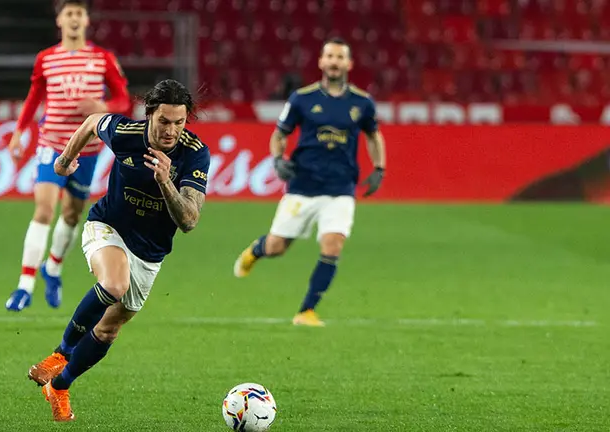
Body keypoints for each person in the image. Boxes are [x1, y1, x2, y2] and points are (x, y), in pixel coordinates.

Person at [26, 79, 210, 422]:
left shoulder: (194, 153)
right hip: (107, 227)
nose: (171, 131)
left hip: (150, 252)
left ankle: (60, 386)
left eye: (179, 122)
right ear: (149, 114)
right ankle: (61, 354)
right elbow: (92, 122)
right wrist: (65, 159)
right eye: (164, 121)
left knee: (108, 330)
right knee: (114, 284)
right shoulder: (125, 132)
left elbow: (189, 221)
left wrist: (165, 182)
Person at [233, 37, 388, 327]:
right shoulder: (301, 99)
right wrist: (277, 159)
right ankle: (256, 250)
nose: (334, 62)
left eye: (340, 57)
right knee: (277, 246)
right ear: (321, 62)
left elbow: (373, 135)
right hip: (303, 185)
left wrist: (380, 168)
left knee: (333, 244)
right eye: (329, 56)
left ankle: (306, 311)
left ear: (349, 64)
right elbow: (280, 134)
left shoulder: (362, 103)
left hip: (341, 187)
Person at [5, 0, 130, 311]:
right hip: (52, 143)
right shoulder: (46, 59)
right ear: (59, 20)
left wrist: (104, 108)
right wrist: (19, 131)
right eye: (68, 13)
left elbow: (123, 100)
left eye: (79, 14)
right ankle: (24, 285)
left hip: (87, 150)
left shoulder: (102, 59)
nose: (74, 18)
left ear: (86, 21)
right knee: (44, 210)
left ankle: (53, 268)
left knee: (72, 215)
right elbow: (34, 96)